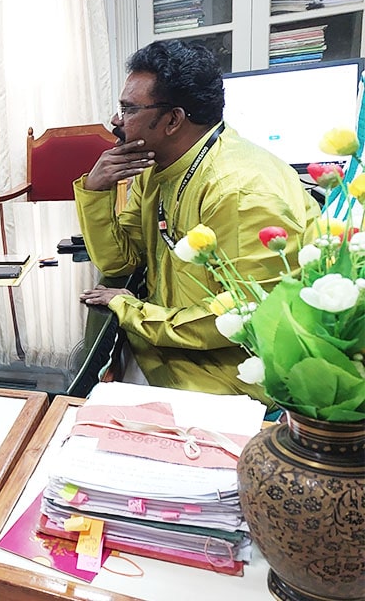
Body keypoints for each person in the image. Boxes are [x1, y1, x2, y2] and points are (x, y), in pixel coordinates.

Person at [73, 40, 319, 403]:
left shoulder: (239, 190)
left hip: (229, 377)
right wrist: (96, 191)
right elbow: (121, 261)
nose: (115, 120)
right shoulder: (157, 166)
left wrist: (131, 309)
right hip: (167, 346)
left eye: (128, 109)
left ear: (173, 119)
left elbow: (241, 314)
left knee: (58, 400)